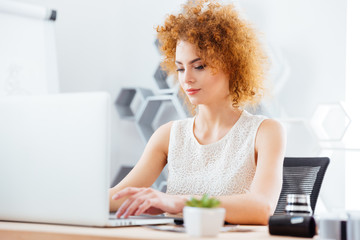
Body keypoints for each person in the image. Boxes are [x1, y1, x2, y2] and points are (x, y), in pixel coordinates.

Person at [109, 0, 286, 225]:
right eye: (180, 68)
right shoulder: (168, 135)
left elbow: (261, 207)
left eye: (199, 66)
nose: (186, 79)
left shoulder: (266, 132)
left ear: (232, 64)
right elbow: (119, 196)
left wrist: (181, 202)